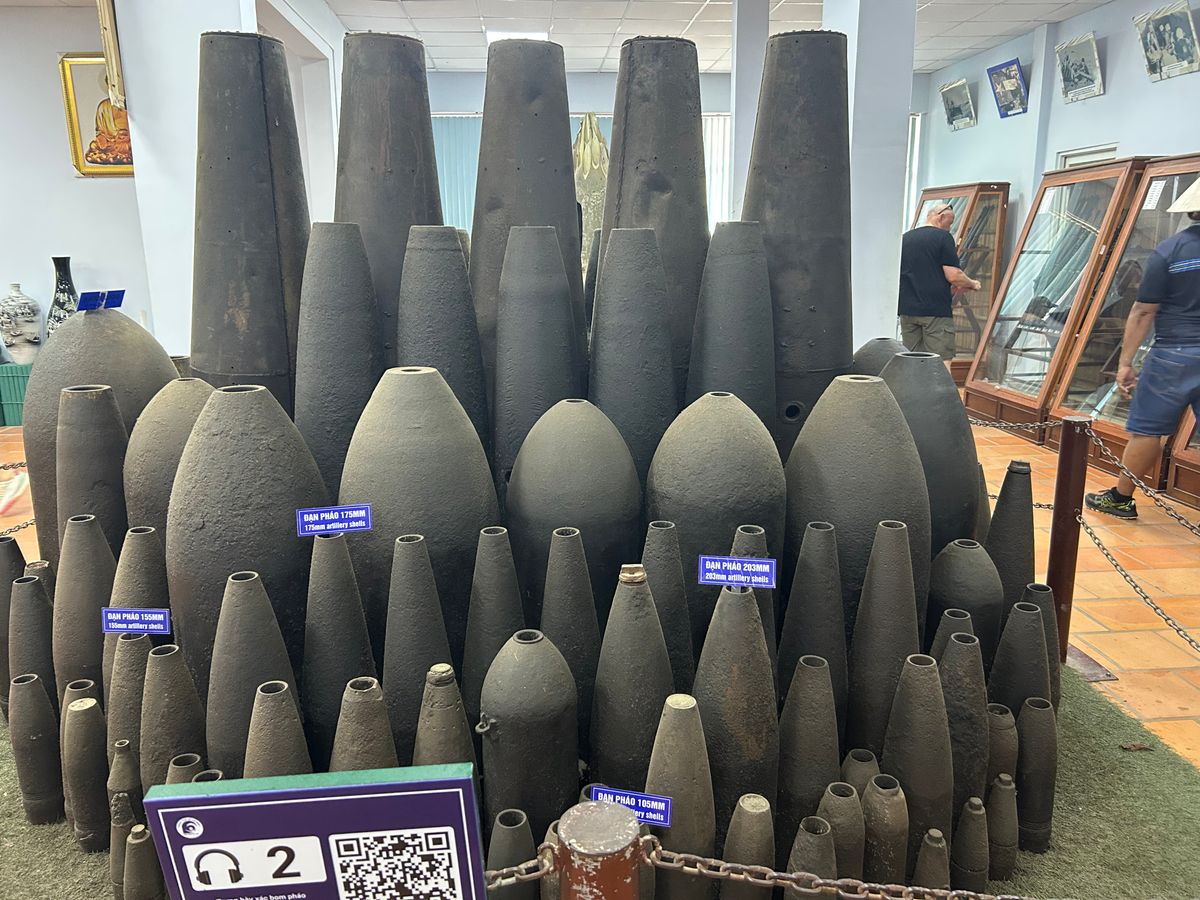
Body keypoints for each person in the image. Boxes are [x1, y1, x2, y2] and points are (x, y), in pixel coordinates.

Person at [1086, 180, 1200, 519]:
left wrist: (1125, 363)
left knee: (1148, 430)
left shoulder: (1171, 250)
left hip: (1173, 355)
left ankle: (1120, 499)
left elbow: (1142, 311)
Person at [897, 203, 982, 359]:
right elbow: (954, 275)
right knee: (940, 361)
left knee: (912, 361)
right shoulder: (943, 237)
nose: (950, 228)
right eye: (950, 223)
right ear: (941, 217)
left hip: (907, 310)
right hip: (934, 310)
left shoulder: (905, 238)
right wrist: (972, 284)